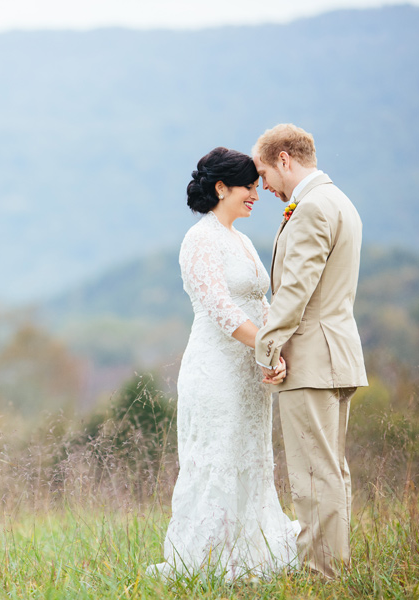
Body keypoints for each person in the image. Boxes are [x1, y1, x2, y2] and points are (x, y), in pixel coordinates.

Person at [149, 147, 299, 581]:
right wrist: (267, 349)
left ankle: (253, 552)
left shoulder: (242, 240)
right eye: (248, 187)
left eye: (257, 185)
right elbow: (221, 308)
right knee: (217, 457)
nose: (257, 194)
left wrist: (277, 355)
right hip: (215, 370)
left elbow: (258, 303)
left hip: (250, 373)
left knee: (252, 457)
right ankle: (207, 559)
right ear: (221, 188)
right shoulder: (200, 239)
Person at [252, 124, 367, 579]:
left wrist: (267, 348)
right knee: (331, 472)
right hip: (338, 355)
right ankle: (333, 570)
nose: (264, 186)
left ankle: (322, 576)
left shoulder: (313, 208)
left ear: (284, 159)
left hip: (312, 361)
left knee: (314, 477)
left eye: (264, 172)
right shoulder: (340, 201)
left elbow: (296, 290)